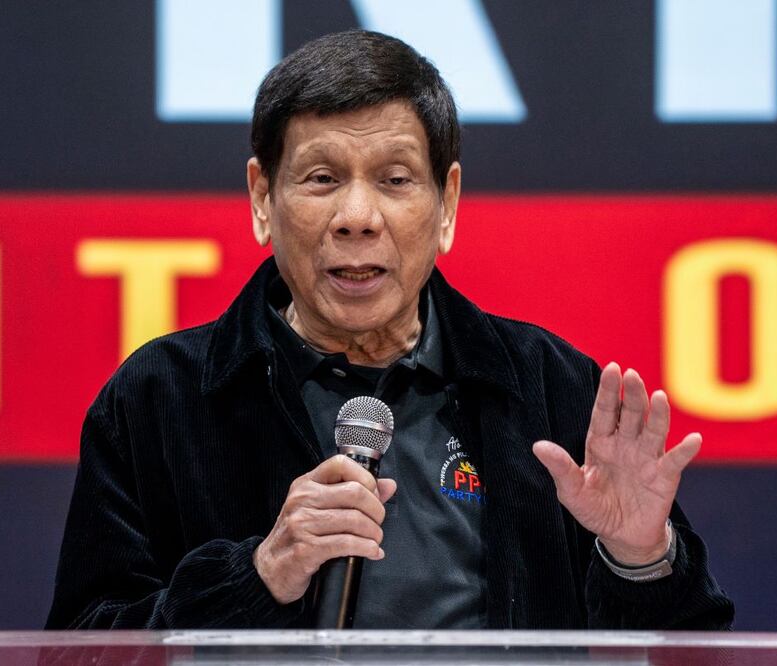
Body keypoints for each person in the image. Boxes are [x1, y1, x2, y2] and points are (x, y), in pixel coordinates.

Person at [46, 30, 733, 630]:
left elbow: (688, 649)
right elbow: (82, 650)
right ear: (262, 199)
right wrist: (255, 579)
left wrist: (639, 557)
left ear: (446, 204)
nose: (356, 216)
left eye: (395, 179)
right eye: (320, 178)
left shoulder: (551, 390)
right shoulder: (159, 399)